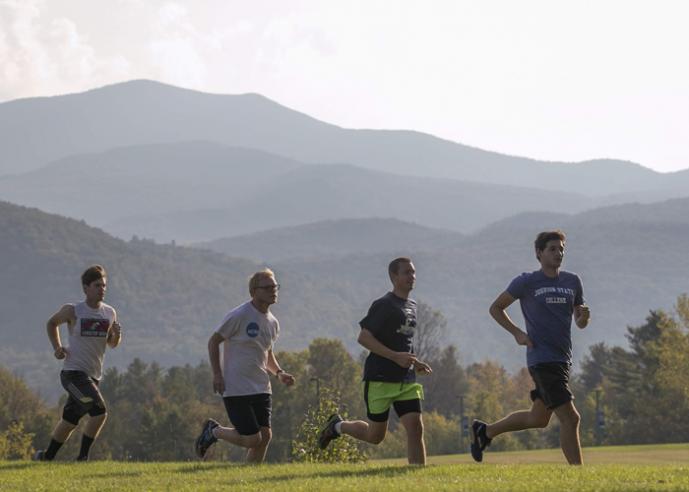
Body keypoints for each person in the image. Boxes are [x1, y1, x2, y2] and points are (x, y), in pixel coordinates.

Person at [472, 230, 591, 465]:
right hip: (542, 359)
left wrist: (584, 318)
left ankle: (485, 432)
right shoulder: (526, 281)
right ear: (539, 253)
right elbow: (496, 308)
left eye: (561, 249)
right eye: (553, 249)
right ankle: (579, 475)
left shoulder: (572, 281)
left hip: (562, 360)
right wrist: (517, 333)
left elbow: (580, 322)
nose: (559, 253)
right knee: (571, 418)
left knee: (538, 418)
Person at [318, 257, 432, 465]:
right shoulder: (384, 305)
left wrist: (415, 362)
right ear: (393, 277)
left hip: (406, 379)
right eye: (406, 272)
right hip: (380, 378)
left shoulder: (412, 306)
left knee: (415, 427)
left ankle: (418, 477)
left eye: (413, 272)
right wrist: (395, 357)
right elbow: (364, 337)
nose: (412, 276)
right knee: (375, 436)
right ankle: (337, 426)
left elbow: (403, 341)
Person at [195, 268, 295, 463]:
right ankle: (214, 431)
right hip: (236, 386)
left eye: (275, 287)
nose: (273, 291)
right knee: (252, 439)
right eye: (267, 287)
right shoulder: (239, 315)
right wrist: (217, 374)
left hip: (261, 386)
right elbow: (213, 341)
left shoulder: (273, 323)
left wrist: (279, 373)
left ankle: (248, 480)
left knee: (265, 437)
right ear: (254, 291)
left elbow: (266, 353)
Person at [33, 265, 122, 461]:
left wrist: (116, 334)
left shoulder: (109, 313)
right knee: (99, 411)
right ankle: (82, 458)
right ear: (85, 288)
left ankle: (45, 457)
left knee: (70, 421)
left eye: (104, 286)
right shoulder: (73, 310)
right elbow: (51, 323)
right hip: (73, 374)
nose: (102, 289)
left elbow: (112, 344)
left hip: (93, 375)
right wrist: (57, 347)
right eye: (97, 285)